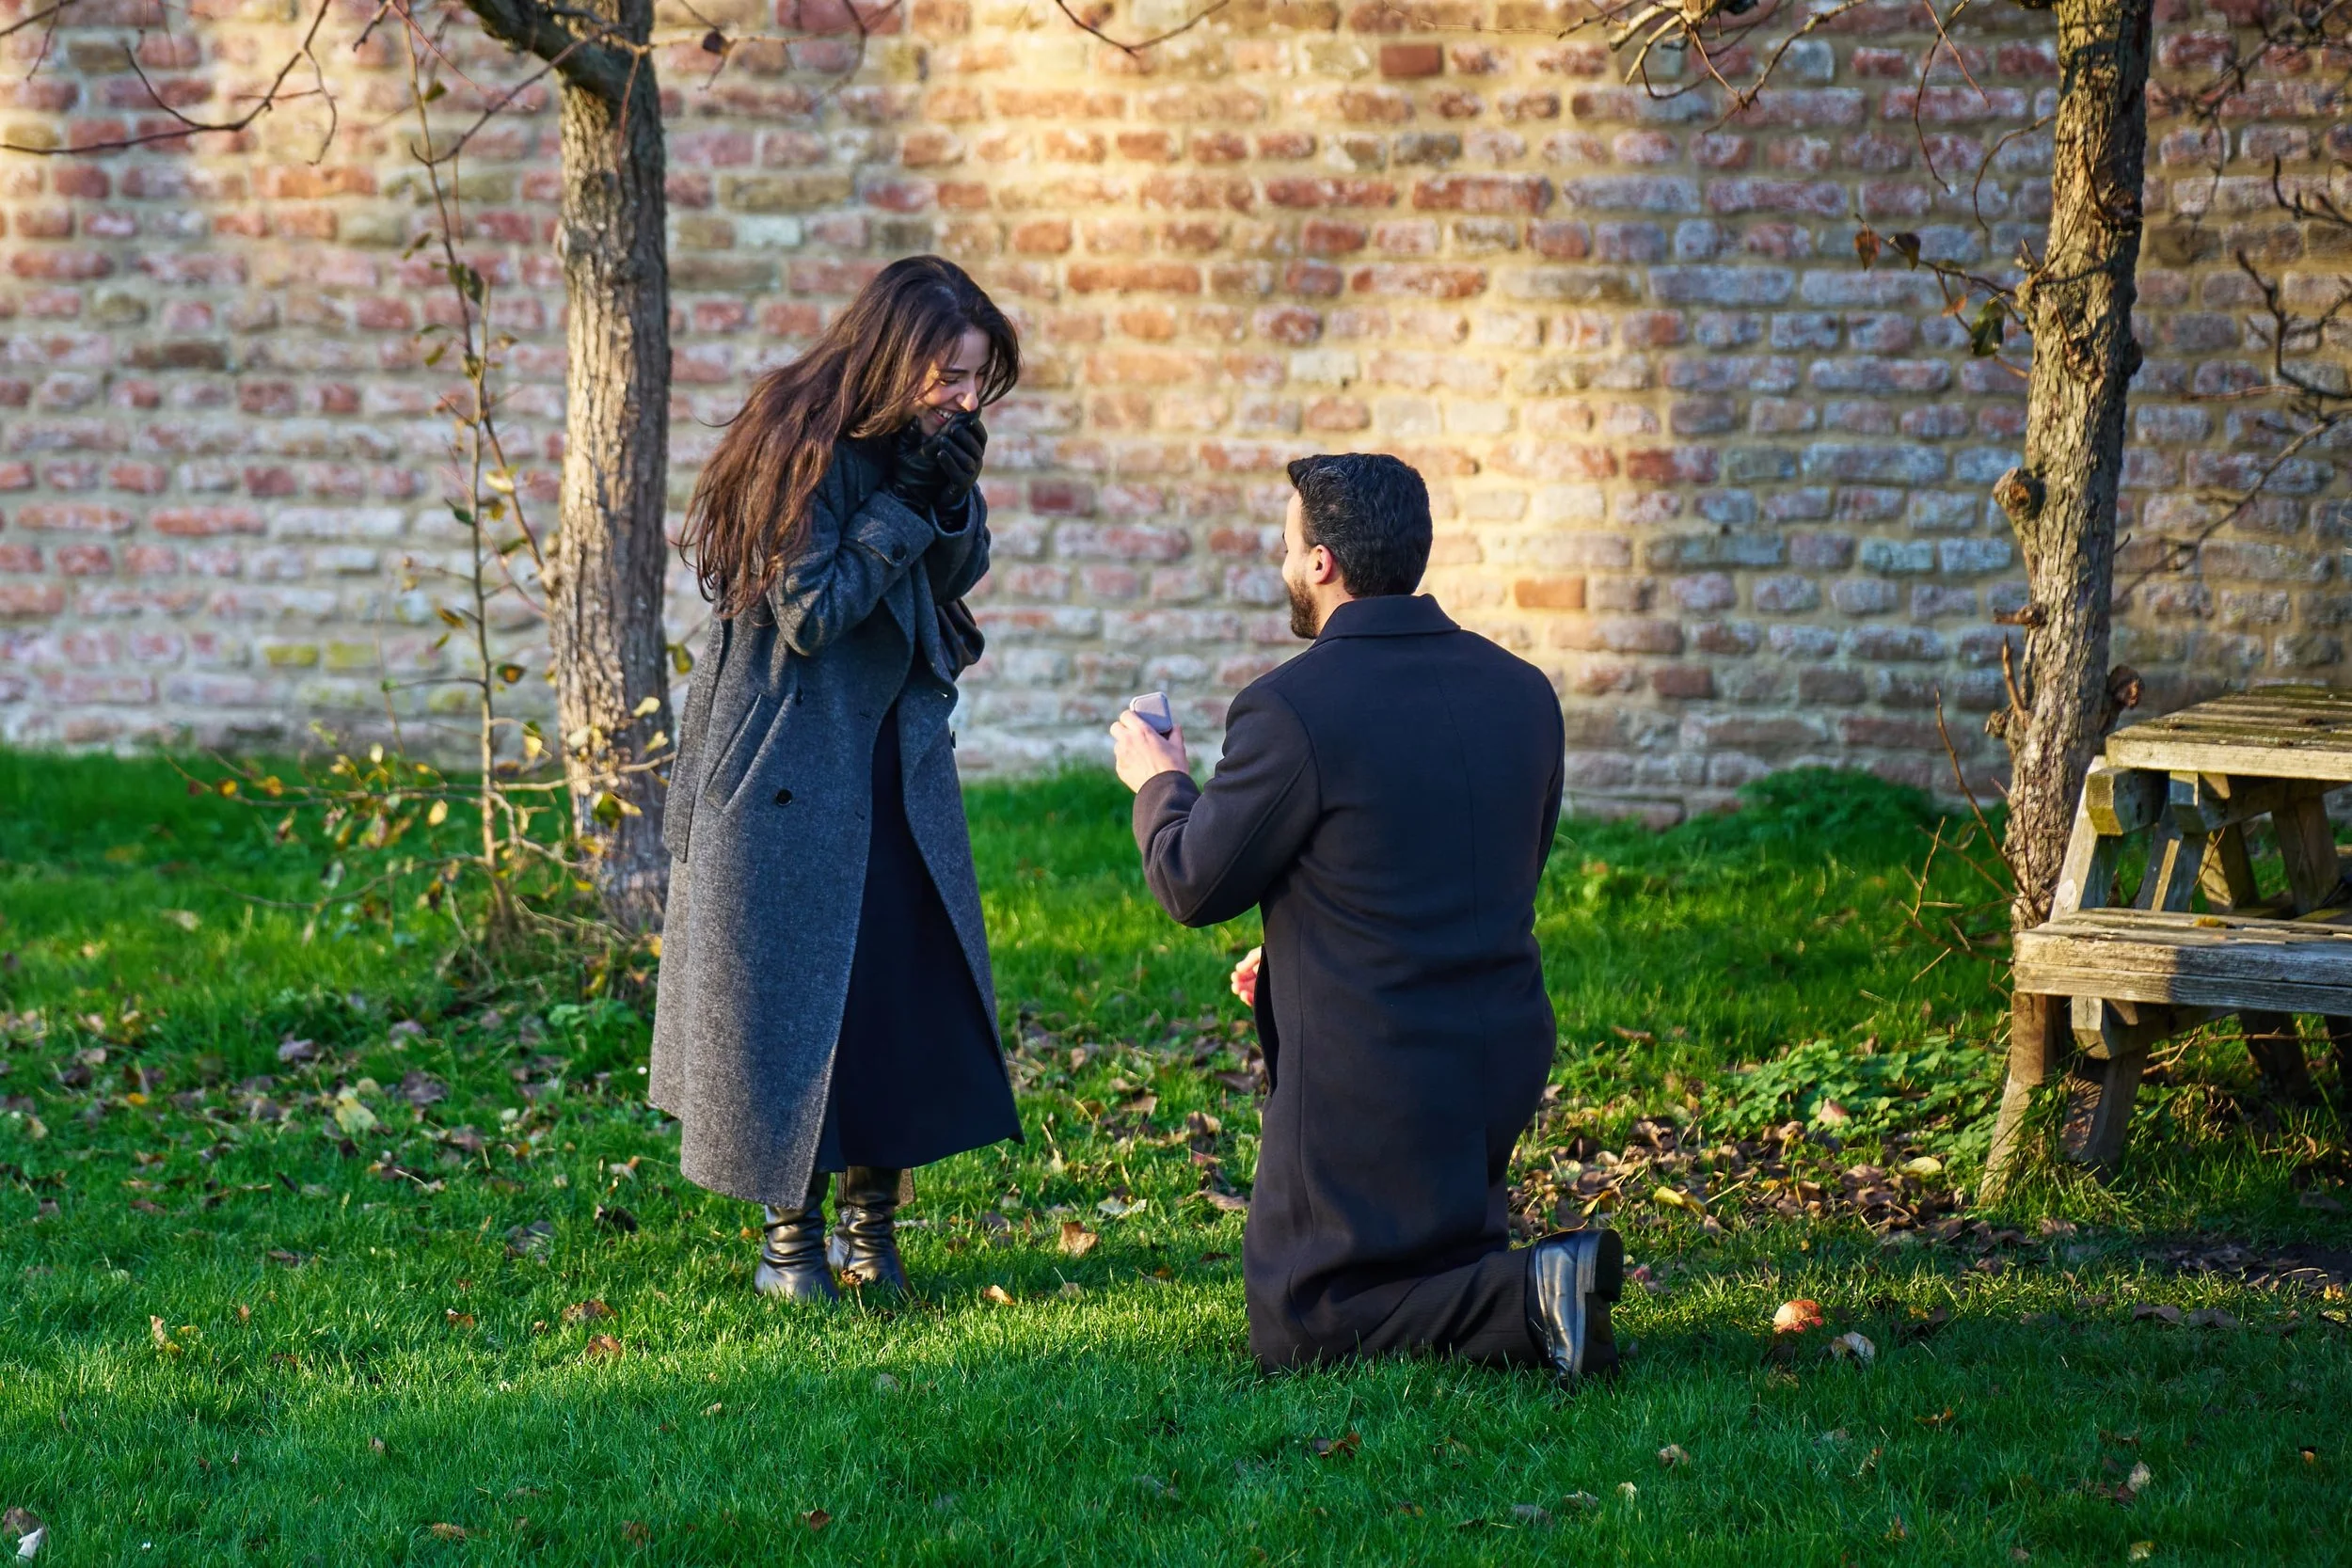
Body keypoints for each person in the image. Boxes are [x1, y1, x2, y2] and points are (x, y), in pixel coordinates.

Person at [1107, 452, 1622, 1380]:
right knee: (1429, 1257)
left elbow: (1190, 879)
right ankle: (1525, 1292)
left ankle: (1537, 1288)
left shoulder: (1291, 705)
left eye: (1284, 542)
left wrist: (1160, 782)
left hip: (1370, 1063)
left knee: (1303, 1322)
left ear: (1320, 564)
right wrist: (1298, 950)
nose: (1280, 562)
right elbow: (1475, 870)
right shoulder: (1521, 692)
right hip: (1496, 1046)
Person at [652, 256, 1023, 1302]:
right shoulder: (793, 436)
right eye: (948, 374)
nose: (961, 398)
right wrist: (909, 503)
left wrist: (946, 500)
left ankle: (874, 1235)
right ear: (894, 352)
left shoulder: (923, 442)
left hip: (891, 761)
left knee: (894, 992)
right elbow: (812, 613)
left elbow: (953, 573)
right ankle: (789, 1247)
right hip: (781, 763)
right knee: (793, 998)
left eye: (974, 381)